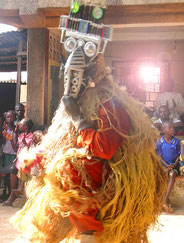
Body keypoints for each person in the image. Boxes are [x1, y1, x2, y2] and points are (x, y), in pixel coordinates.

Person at [11, 1, 166, 243]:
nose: (77, 57)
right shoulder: (74, 100)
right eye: (73, 46)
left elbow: (104, 148)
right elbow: (60, 141)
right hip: (87, 189)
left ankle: (88, 234)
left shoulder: (109, 102)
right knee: (56, 172)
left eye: (88, 49)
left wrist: (78, 118)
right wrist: (36, 156)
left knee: (70, 168)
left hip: (110, 184)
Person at [2, 118, 34, 206]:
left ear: (26, 127)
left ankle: (16, 192)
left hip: (28, 161)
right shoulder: (20, 136)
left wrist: (26, 143)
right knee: (10, 170)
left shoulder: (32, 136)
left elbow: (32, 149)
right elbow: (16, 149)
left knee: (18, 170)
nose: (19, 125)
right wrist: (11, 140)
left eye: (21, 124)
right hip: (19, 160)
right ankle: (13, 194)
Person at [156, 121, 181, 213]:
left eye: (173, 128)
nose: (173, 129)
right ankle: (163, 201)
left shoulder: (177, 142)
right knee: (160, 175)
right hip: (164, 166)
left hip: (174, 166)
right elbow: (159, 156)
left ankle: (165, 199)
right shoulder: (160, 142)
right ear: (164, 130)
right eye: (170, 128)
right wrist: (167, 165)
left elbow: (179, 156)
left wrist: (174, 164)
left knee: (172, 174)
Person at [0, 110, 17, 202]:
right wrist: (5, 134)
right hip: (6, 153)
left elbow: (17, 142)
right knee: (5, 173)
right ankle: (5, 193)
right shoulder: (4, 128)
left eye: (12, 117)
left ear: (15, 117)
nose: (10, 119)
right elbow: (3, 142)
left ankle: (11, 194)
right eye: (8, 117)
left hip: (14, 154)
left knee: (13, 174)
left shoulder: (16, 128)